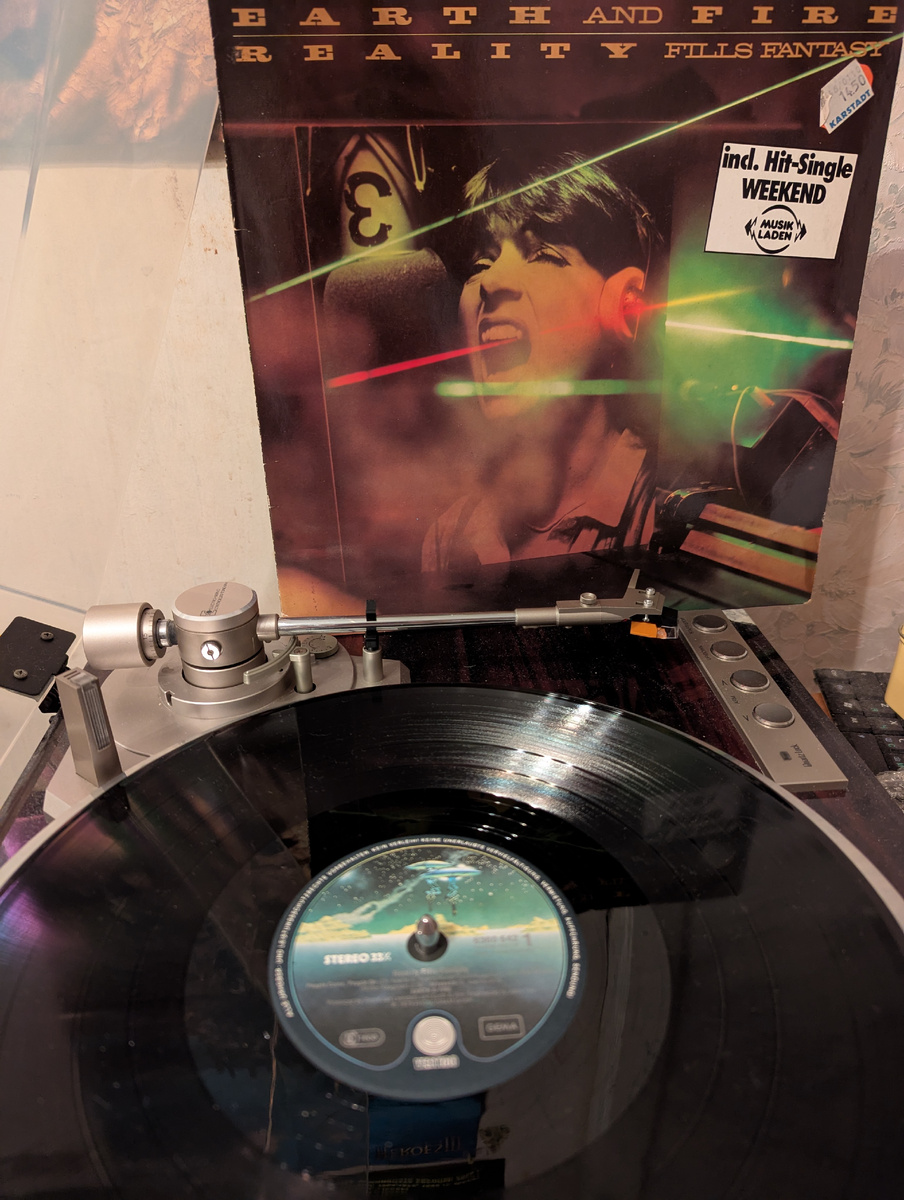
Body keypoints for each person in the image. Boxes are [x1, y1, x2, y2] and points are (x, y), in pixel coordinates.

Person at [422, 149, 660, 577]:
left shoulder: (673, 514)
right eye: (481, 263)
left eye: (544, 255)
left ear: (624, 306)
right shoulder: (448, 537)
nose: (491, 280)